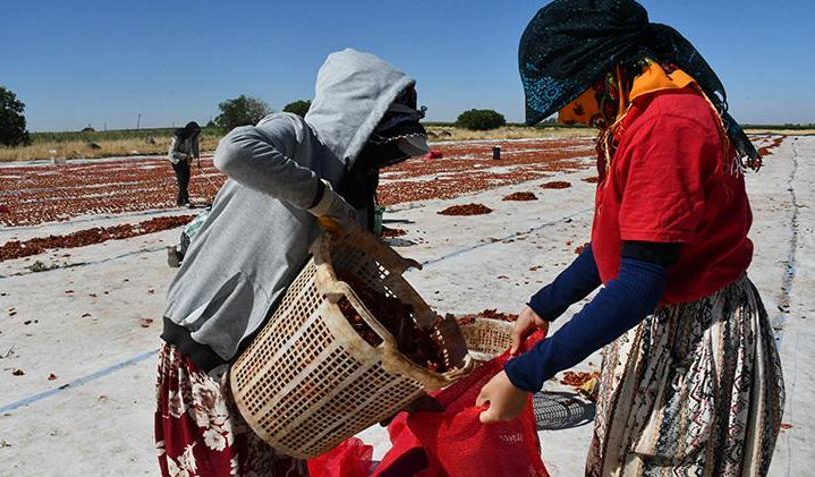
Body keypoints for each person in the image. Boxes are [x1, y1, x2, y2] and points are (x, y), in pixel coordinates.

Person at [475, 1, 784, 475]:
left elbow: (640, 282)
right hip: (660, 321)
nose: (566, 115)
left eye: (570, 94)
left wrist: (525, 376)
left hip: (695, 333)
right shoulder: (636, 116)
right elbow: (620, 244)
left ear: (604, 70)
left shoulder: (667, 124)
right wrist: (545, 305)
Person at [154, 49, 428, 477]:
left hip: (269, 365)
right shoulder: (297, 135)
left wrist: (396, 369)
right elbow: (233, 152)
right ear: (359, 117)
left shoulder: (357, 186)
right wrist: (320, 197)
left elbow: (352, 273)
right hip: (207, 338)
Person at [168, 121, 202, 206]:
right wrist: (186, 156)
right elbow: (172, 152)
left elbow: (195, 147)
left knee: (186, 179)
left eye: (196, 132)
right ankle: (186, 200)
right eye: (194, 131)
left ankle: (180, 200)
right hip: (175, 159)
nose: (195, 133)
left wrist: (198, 160)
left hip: (186, 159)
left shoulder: (193, 137)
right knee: (181, 179)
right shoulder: (178, 136)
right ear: (189, 130)